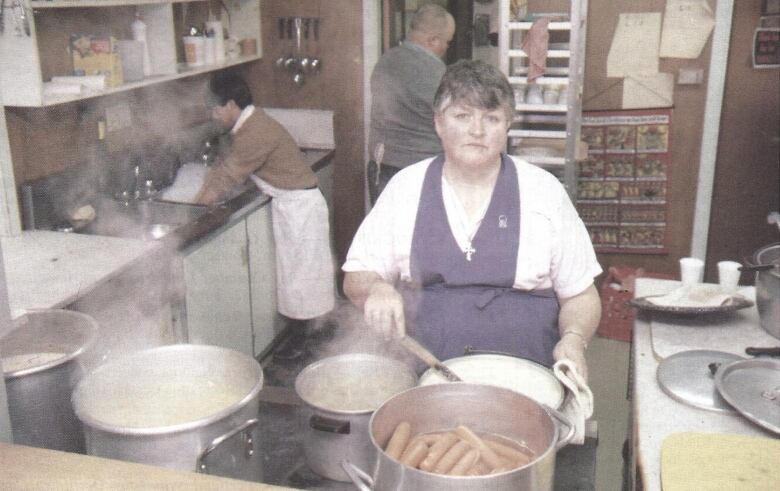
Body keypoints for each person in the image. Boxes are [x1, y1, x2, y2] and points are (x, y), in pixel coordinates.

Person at [343, 60, 602, 379]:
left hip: (529, 377)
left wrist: (574, 340)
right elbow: (356, 277)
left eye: (491, 118)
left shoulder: (543, 191)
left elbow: (580, 294)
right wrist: (377, 289)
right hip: (426, 373)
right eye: (462, 116)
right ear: (439, 122)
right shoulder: (405, 188)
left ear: (508, 124)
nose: (477, 131)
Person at [195, 71, 335, 359]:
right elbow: (225, 167)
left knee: (301, 278)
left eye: (215, 108)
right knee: (304, 275)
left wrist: (196, 207)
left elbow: (227, 176)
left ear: (231, 105)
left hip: (299, 209)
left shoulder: (254, 132)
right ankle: (314, 336)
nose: (213, 115)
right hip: (297, 205)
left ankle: (308, 343)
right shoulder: (252, 123)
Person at [367, 3, 456, 205]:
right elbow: (452, 123)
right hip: (421, 168)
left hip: (382, 165)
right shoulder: (437, 72)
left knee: (386, 231)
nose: (447, 47)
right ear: (433, 40)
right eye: (447, 41)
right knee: (421, 233)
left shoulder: (385, 61)